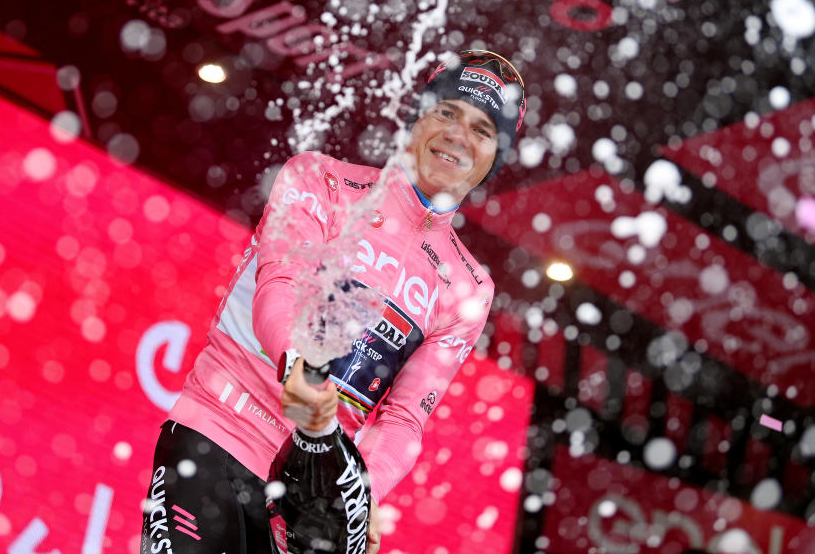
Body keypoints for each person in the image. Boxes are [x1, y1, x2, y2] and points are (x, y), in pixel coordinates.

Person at [140, 49, 527, 554]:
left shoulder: (469, 287)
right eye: (448, 112)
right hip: (214, 434)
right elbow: (278, 284)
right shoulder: (321, 181)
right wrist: (297, 367)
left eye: (482, 129)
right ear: (418, 116)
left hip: (304, 499)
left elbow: (405, 420)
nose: (458, 135)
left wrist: (361, 494)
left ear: (494, 156)